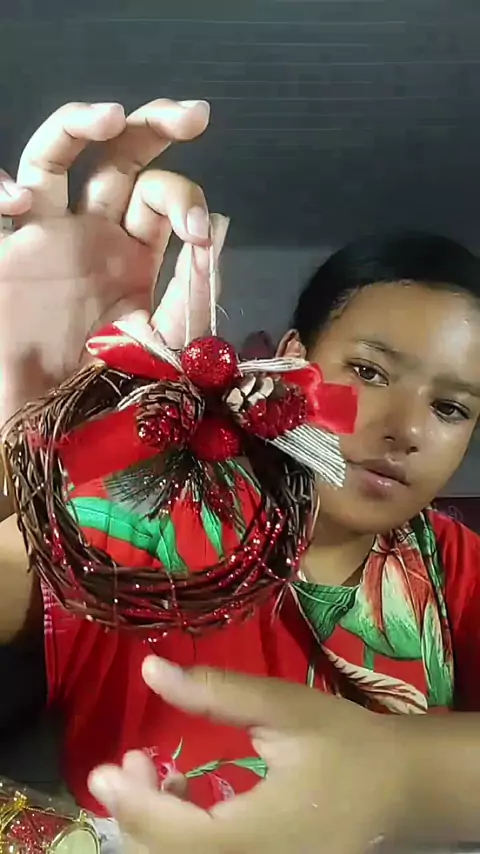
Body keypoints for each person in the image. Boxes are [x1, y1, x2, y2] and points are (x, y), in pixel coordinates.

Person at [2, 99, 480, 854]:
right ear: (290, 362)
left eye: (451, 408)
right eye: (368, 371)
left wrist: (402, 776)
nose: (407, 429)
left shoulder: (456, 569)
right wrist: (14, 446)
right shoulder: (143, 512)